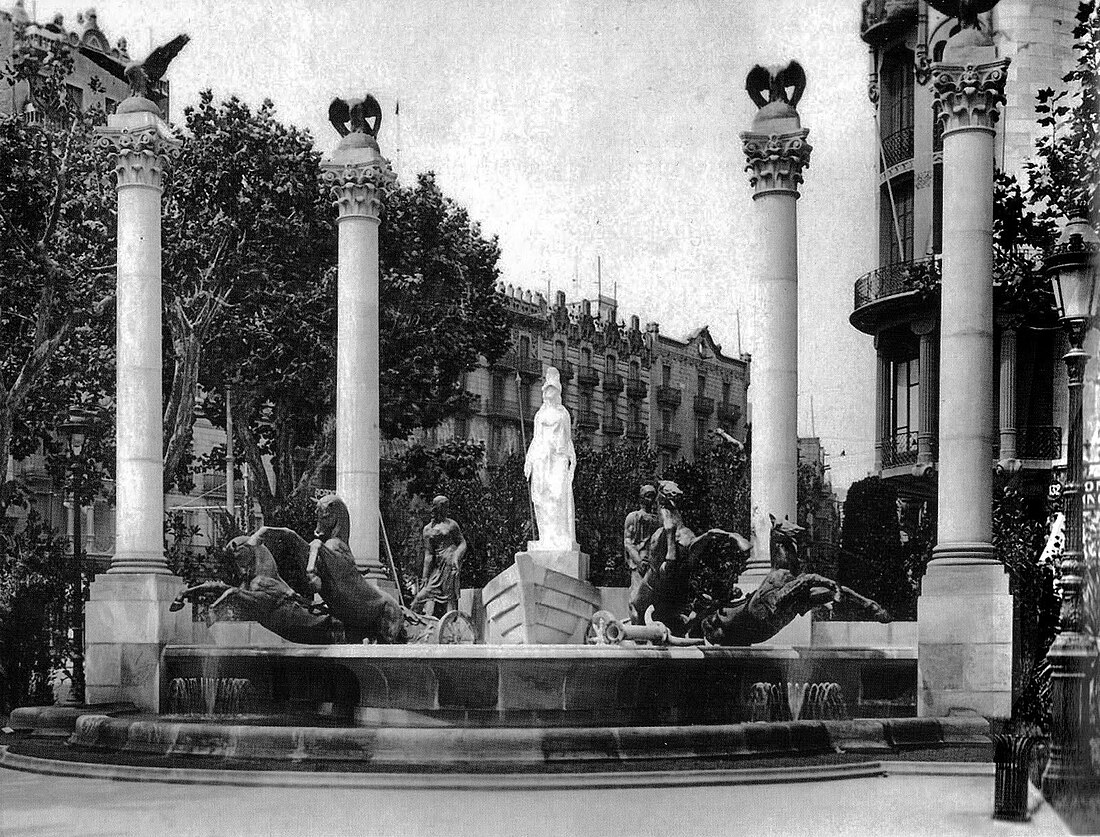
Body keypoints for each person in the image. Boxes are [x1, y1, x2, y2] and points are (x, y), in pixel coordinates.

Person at [524, 365, 577, 549]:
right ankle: (545, 537)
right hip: (541, 458)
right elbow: (536, 439)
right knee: (541, 497)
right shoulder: (540, 415)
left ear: (558, 391)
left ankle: (560, 536)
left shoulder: (563, 414)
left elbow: (568, 439)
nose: (549, 393)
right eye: (547, 390)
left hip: (558, 458)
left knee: (558, 495)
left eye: (552, 389)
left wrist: (572, 462)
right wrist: (528, 461)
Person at [411, 495, 466, 617]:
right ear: (437, 508)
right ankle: (413, 622)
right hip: (437, 567)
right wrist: (425, 577)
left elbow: (462, 543)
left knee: (450, 599)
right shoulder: (427, 530)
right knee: (421, 597)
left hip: (450, 564)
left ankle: (453, 627)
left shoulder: (452, 525)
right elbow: (429, 554)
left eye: (447, 506)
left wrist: (457, 556)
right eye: (444, 506)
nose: (447, 509)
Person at [623, 484, 661, 598]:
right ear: (641, 498)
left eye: (653, 496)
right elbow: (628, 542)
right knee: (638, 596)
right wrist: (638, 561)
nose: (651, 499)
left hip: (655, 561)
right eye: (648, 495)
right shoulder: (633, 516)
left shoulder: (658, 519)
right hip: (641, 559)